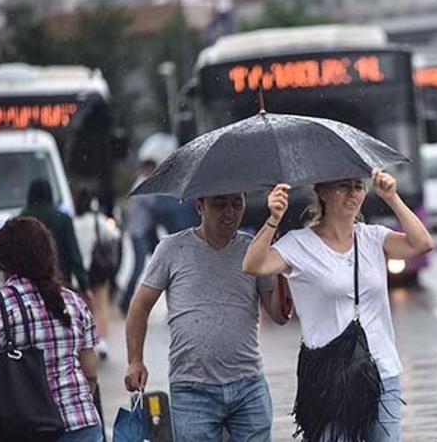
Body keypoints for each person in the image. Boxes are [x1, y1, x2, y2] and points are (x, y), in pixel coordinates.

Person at [242, 168, 434, 441]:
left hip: (381, 371)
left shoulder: (372, 237)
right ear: (322, 192)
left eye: (358, 186)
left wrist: (392, 198)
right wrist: (273, 218)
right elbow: (253, 264)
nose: (353, 193)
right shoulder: (299, 244)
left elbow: (422, 243)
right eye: (343, 186)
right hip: (328, 378)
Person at [124, 192, 290, 442]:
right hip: (192, 390)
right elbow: (139, 308)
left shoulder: (254, 250)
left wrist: (281, 269)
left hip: (248, 385)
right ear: (200, 206)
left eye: (236, 204)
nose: (230, 212)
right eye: (220, 204)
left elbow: (278, 315)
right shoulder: (172, 249)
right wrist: (135, 361)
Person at [0, 217, 102, 441]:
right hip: (83, 425)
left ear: (2, 260)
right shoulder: (74, 303)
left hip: (24, 429)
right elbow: (91, 373)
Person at [74, 189, 122, 360]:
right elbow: (115, 235)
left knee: (83, 308)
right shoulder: (97, 221)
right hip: (98, 270)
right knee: (101, 305)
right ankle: (101, 342)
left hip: (79, 273)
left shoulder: (73, 223)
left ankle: (85, 343)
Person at [21, 178, 88, 292]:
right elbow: (73, 253)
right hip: (60, 281)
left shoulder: (21, 219)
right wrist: (84, 284)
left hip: (29, 285)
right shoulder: (62, 218)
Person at [120, 159, 158, 315]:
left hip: (143, 232)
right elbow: (154, 204)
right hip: (139, 233)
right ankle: (125, 302)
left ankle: (126, 301)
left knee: (155, 265)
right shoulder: (142, 185)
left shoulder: (141, 183)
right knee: (138, 268)